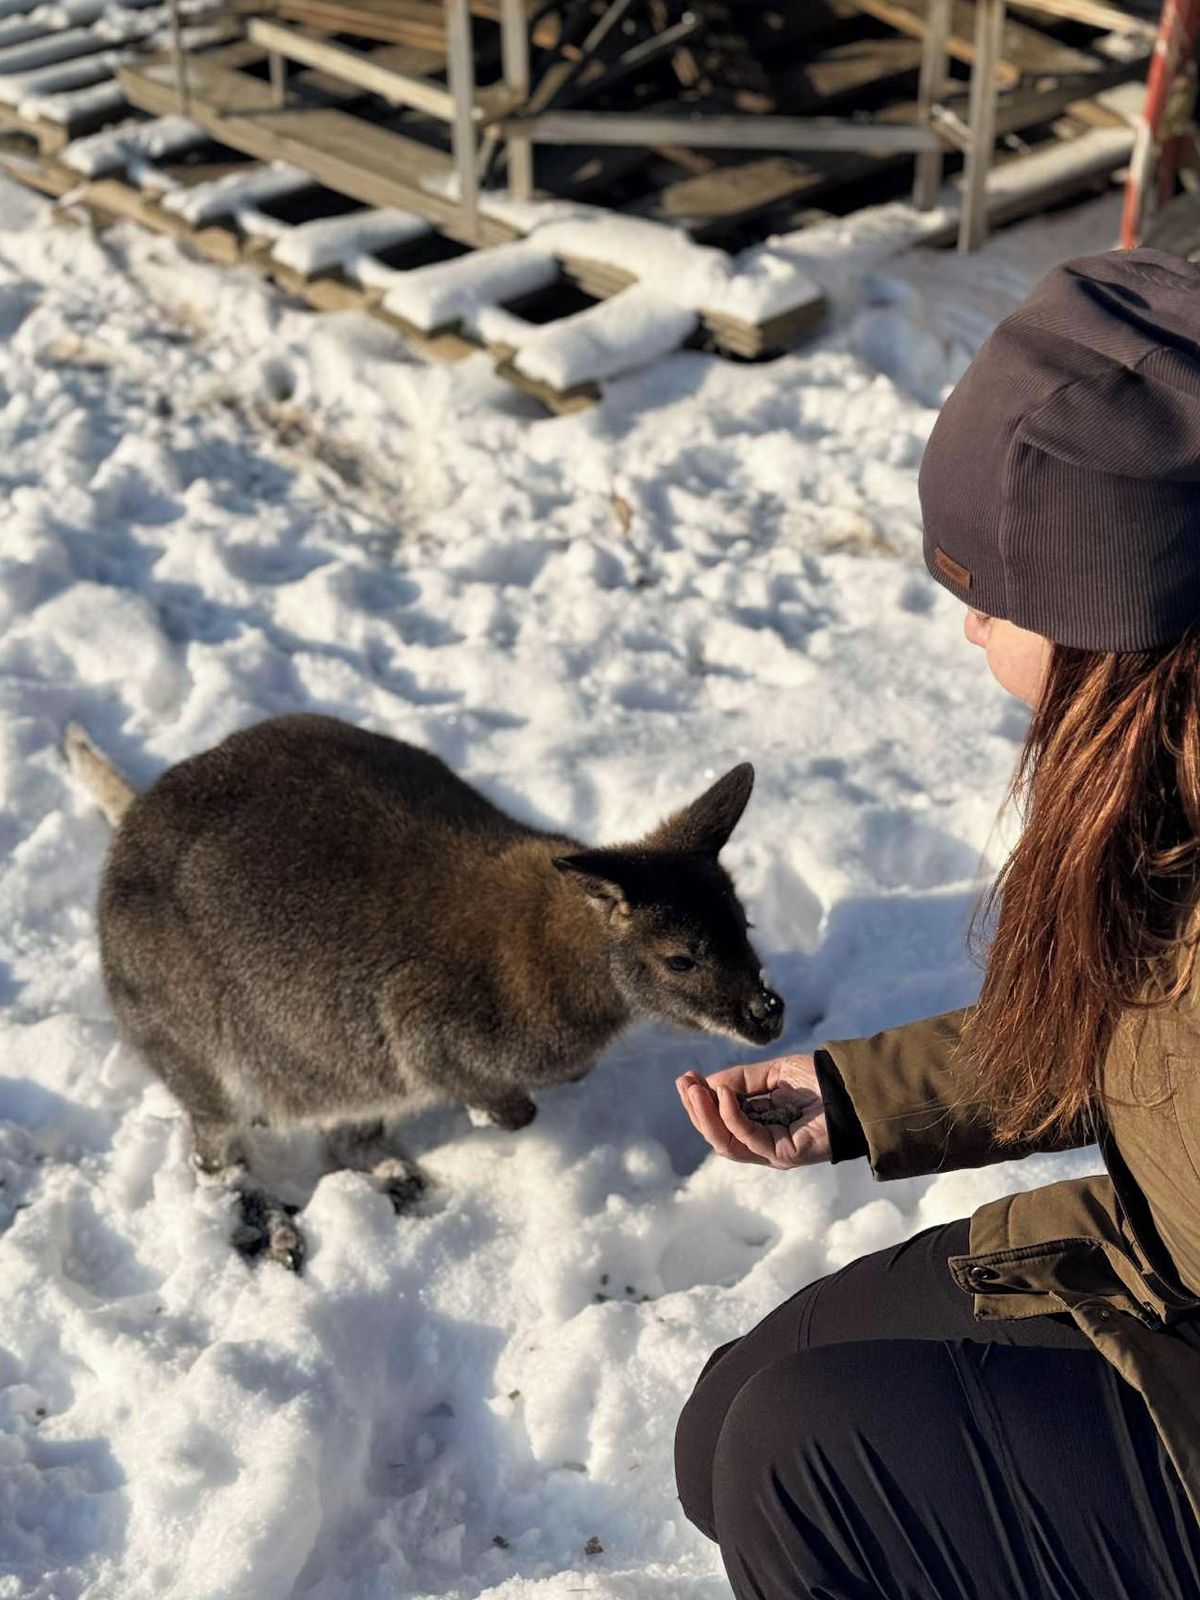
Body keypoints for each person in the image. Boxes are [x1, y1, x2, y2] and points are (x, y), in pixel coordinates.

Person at [673, 248, 1200, 1600]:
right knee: (725, 1426)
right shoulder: (1165, 776)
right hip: (1161, 1258)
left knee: (799, 1467)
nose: (968, 627)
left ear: (1112, 613)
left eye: (996, 594)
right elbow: (1157, 1049)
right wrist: (864, 1096)